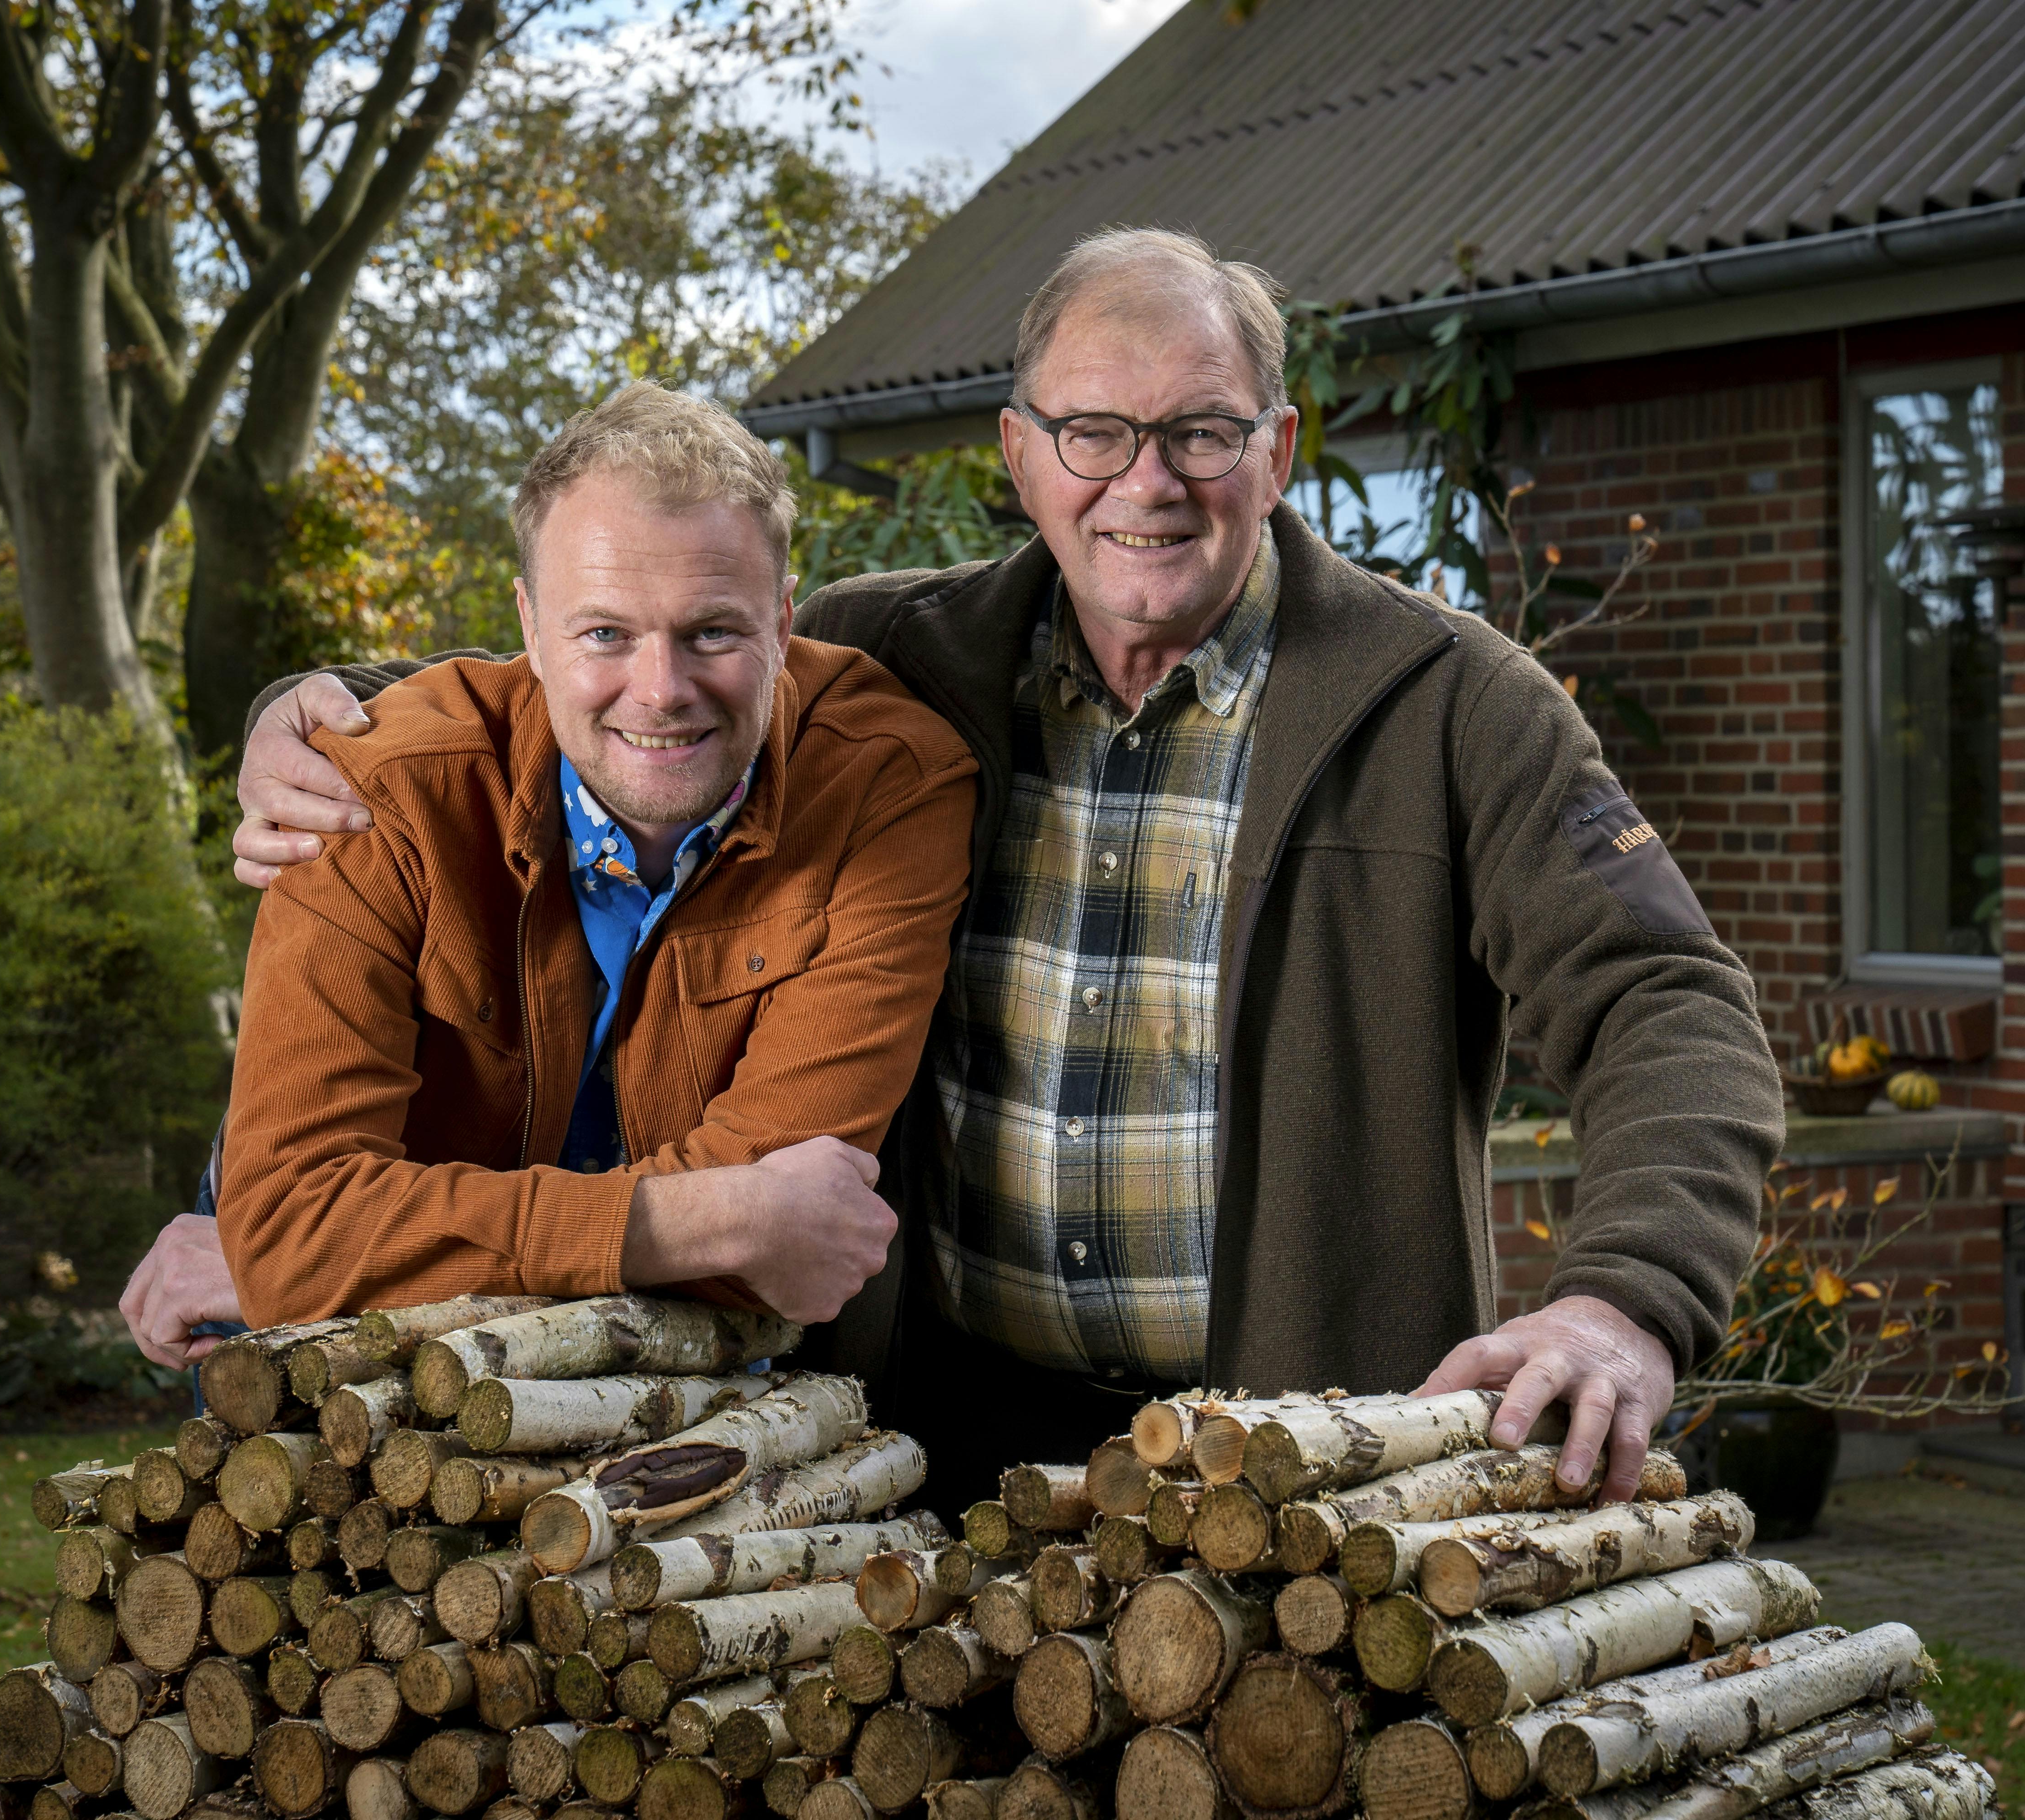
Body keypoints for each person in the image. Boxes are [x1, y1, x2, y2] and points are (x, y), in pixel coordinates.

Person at [219, 230, 1783, 1501]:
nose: (1147, 483)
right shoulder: (902, 656)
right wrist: (328, 709)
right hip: (934, 1448)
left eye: (1202, 432)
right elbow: (629, 667)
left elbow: (1666, 1003)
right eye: (1095, 433)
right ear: (1020, 456)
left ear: (1279, 452)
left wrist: (1624, 1299)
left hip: (1302, 1467)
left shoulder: (1455, 706)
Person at [118, 382, 975, 1358]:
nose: (661, 691)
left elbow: (794, 1224)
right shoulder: (367, 788)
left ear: (784, 624)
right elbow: (297, 1222)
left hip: (504, 1314)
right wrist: (706, 1221)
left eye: (713, 632)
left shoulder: (890, 783)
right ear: (530, 627)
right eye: (605, 633)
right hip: (359, 1341)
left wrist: (337, 1258)